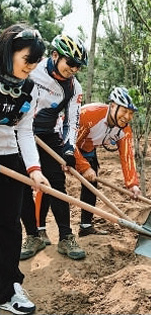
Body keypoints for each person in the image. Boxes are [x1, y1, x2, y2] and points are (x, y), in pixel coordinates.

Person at [20, 34, 88, 261]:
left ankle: (66, 236)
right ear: (55, 55)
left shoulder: (73, 88)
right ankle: (33, 235)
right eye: (70, 62)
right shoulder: (32, 69)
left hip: (47, 136)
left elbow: (72, 121)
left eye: (78, 66)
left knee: (56, 185)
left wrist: (68, 149)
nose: (74, 69)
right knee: (21, 186)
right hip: (19, 133)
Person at [0, 23, 50, 315]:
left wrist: (34, 169)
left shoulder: (29, 88)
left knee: (8, 227)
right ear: (9, 51)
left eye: (34, 63)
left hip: (9, 158)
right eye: (26, 60)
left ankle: (8, 288)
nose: (29, 68)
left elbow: (25, 131)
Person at [74, 86, 141, 236]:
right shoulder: (89, 114)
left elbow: (127, 156)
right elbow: (69, 143)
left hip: (88, 148)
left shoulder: (125, 129)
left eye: (131, 113)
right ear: (112, 106)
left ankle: (85, 227)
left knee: (91, 186)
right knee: (53, 183)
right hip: (63, 142)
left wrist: (132, 184)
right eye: (124, 111)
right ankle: (39, 230)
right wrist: (83, 166)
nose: (127, 116)